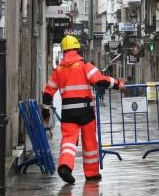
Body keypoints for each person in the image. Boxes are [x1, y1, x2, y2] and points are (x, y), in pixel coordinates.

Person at [42, 35, 125, 185]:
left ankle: (65, 166)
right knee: (89, 142)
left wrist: (46, 111)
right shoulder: (84, 65)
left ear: (64, 51)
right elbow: (100, 79)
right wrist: (118, 83)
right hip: (86, 111)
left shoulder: (58, 70)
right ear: (77, 49)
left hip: (68, 112)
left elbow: (48, 93)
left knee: (68, 141)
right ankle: (91, 174)